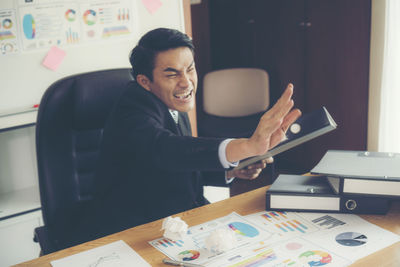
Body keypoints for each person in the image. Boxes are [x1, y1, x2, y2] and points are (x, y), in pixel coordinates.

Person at [75, 28, 301, 245]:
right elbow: (165, 150)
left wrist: (232, 169)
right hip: (133, 231)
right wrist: (248, 147)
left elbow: (183, 161)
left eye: (190, 69)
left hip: (180, 220)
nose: (186, 82)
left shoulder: (173, 102)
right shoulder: (131, 110)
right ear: (145, 82)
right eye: (172, 74)